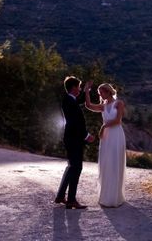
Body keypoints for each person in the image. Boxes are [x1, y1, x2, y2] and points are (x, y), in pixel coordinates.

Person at [83, 80, 126, 207]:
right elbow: (89, 105)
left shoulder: (119, 103)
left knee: (115, 163)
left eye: (101, 92)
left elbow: (118, 121)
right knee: (106, 164)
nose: (100, 95)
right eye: (99, 93)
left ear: (108, 91)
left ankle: (115, 197)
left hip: (116, 136)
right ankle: (106, 195)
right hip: (106, 138)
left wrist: (103, 126)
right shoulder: (103, 106)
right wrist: (86, 91)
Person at [55, 76, 95, 209]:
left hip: (72, 138)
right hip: (74, 139)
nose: (79, 89)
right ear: (73, 87)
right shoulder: (68, 101)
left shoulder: (70, 100)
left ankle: (61, 196)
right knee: (76, 168)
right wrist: (86, 135)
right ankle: (71, 200)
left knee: (72, 167)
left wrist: (86, 90)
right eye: (78, 86)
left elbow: (81, 100)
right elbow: (74, 122)